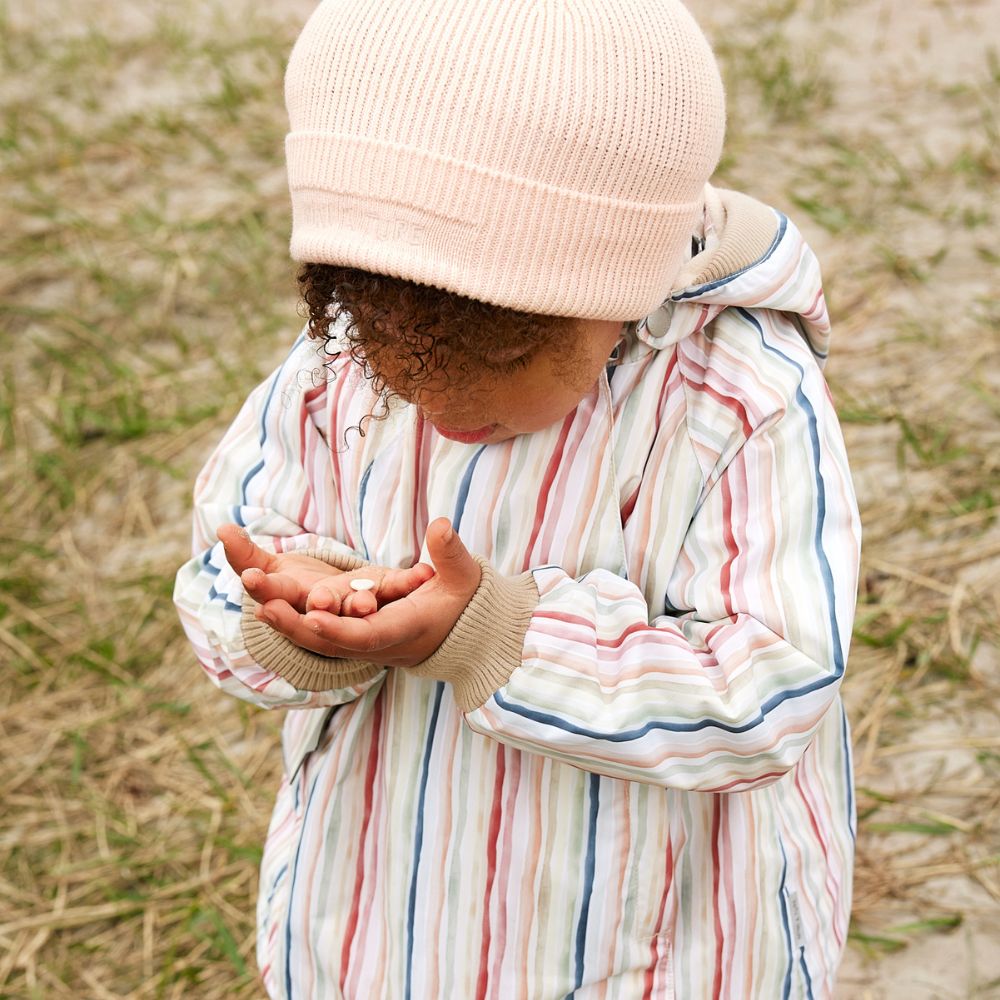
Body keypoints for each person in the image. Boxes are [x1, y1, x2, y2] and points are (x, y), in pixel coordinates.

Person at [174, 0, 862, 995]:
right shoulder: (340, 359)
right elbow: (222, 558)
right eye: (393, 360)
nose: (435, 403)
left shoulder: (736, 401)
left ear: (616, 289)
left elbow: (773, 687)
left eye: (494, 364)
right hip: (379, 922)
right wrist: (293, 612)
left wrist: (493, 636)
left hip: (648, 944)